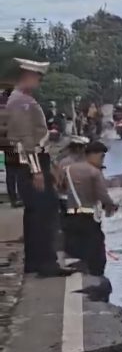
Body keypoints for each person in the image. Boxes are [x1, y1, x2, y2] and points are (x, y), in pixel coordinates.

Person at [6, 58, 72, 277]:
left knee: (35, 214)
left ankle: (35, 262)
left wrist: (50, 165)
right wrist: (36, 170)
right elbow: (26, 140)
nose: (39, 81)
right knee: (45, 213)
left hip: (34, 161)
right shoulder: (21, 102)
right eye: (37, 76)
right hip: (29, 163)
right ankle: (46, 263)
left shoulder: (22, 100)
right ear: (26, 76)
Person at [62, 140, 117, 276]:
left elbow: (60, 188)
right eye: (101, 156)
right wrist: (111, 206)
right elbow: (102, 195)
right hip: (88, 218)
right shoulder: (94, 172)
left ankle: (81, 272)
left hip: (70, 216)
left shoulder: (68, 169)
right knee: (97, 254)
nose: (102, 160)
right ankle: (95, 278)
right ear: (92, 155)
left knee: (77, 249)